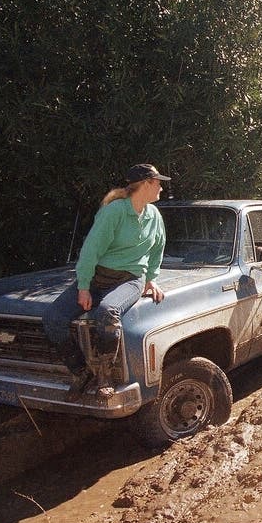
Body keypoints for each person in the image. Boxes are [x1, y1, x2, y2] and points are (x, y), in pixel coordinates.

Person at [43, 163, 170, 396]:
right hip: (98, 277)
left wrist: (151, 279)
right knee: (53, 318)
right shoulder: (114, 212)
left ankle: (104, 376)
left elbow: (157, 249)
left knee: (107, 311)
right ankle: (81, 371)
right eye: (158, 183)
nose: (161, 188)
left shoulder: (154, 216)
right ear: (146, 184)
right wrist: (83, 287)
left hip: (130, 279)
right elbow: (91, 250)